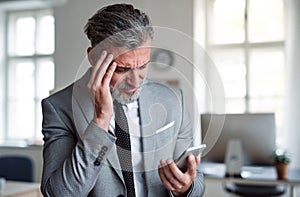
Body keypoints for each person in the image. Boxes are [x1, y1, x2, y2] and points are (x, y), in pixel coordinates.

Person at [41, 3, 205, 197]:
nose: (135, 81)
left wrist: (185, 188)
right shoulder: (60, 108)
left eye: (143, 65)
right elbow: (57, 194)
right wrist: (100, 121)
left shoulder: (173, 99)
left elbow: (197, 182)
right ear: (93, 58)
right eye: (121, 69)